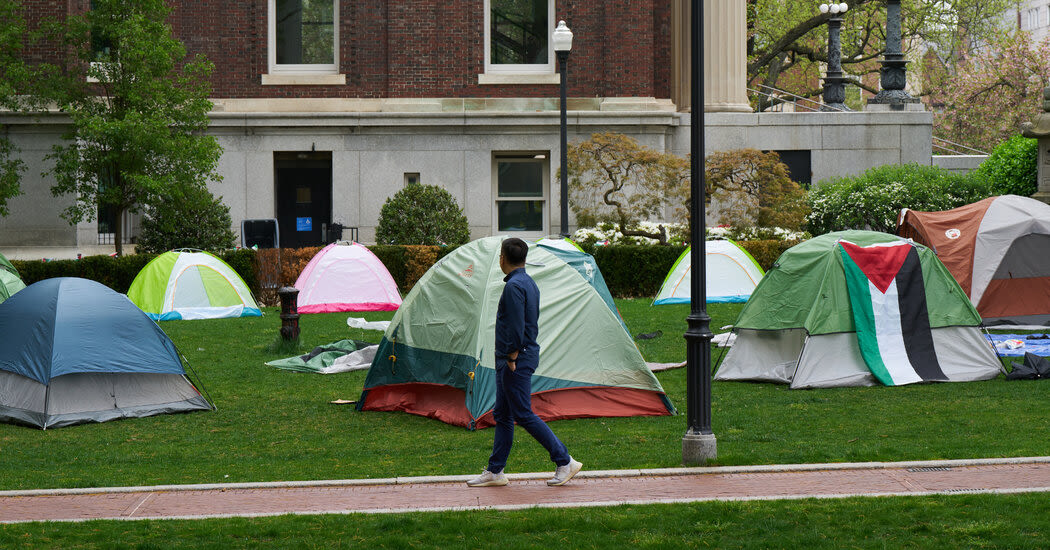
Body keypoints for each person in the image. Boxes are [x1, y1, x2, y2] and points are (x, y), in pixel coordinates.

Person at [467, 237, 582, 487]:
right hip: (516, 357)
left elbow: (517, 326)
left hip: (515, 359)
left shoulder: (513, 287)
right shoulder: (528, 283)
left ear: (502, 258)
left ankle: (564, 461)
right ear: (524, 258)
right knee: (503, 414)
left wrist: (511, 356)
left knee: (522, 413)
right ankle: (495, 471)